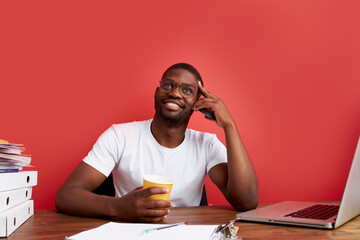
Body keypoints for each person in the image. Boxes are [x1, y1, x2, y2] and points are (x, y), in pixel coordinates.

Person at [55, 63, 258, 223]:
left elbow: (247, 201)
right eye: (168, 85)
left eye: (187, 90)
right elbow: (66, 195)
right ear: (157, 92)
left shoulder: (207, 145)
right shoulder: (120, 135)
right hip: (130, 232)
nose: (175, 93)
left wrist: (229, 125)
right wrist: (118, 208)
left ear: (198, 102)